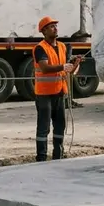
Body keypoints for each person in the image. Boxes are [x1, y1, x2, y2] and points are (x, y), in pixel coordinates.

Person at [33, 16, 79, 161]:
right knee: (44, 127)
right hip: (44, 94)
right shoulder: (40, 48)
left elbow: (67, 71)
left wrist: (75, 64)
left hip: (59, 92)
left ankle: (58, 155)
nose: (55, 28)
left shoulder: (62, 47)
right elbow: (45, 68)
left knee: (60, 125)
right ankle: (41, 157)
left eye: (55, 26)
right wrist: (62, 66)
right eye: (51, 26)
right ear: (44, 31)